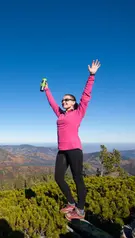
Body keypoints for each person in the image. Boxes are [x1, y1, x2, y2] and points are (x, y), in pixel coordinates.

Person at [43, 59, 101, 220]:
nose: (64, 102)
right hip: (62, 150)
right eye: (63, 100)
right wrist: (47, 89)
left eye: (67, 100)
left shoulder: (79, 112)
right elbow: (52, 103)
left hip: (74, 149)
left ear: (74, 103)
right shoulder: (61, 114)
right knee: (58, 178)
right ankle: (71, 202)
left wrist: (91, 75)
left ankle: (80, 210)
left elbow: (86, 95)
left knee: (77, 178)